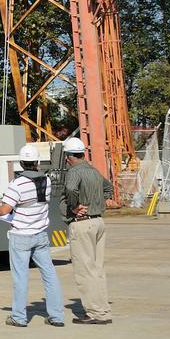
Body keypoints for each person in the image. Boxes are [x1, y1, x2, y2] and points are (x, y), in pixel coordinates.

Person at [0, 144, 65, 327]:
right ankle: (56, 317)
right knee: (50, 275)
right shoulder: (47, 181)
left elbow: (5, 209)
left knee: (20, 277)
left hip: (21, 236)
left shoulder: (17, 184)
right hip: (40, 234)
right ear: (37, 162)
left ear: (21, 163)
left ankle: (19, 318)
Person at [61, 136, 113, 324]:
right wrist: (98, 202)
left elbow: (70, 188)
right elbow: (109, 187)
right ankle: (103, 310)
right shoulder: (93, 171)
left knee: (85, 270)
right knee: (97, 269)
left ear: (69, 156)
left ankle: (94, 313)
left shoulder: (74, 171)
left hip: (82, 223)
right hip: (98, 221)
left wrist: (74, 206)